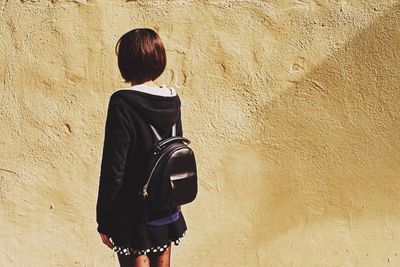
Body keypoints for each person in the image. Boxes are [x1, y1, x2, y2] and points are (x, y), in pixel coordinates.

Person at [96, 28, 187, 267]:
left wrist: (104, 220)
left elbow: (114, 168)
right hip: (166, 205)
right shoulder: (172, 98)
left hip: (132, 213)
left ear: (126, 62)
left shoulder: (122, 102)